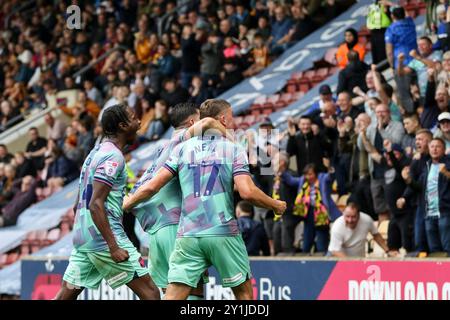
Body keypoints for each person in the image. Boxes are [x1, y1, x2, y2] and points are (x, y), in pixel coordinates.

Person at [123, 99, 286, 300]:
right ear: (223, 119)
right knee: (243, 295)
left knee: (175, 295)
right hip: (221, 230)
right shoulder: (231, 148)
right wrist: (276, 204)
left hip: (186, 233)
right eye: (232, 118)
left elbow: (153, 185)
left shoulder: (178, 148)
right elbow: (247, 192)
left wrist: (128, 203)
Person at [55, 104, 160, 300]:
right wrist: (113, 246)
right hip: (105, 240)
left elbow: (77, 202)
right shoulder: (113, 156)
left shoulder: (94, 153)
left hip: (84, 238)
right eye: (134, 118)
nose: (139, 122)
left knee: (64, 297)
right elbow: (96, 204)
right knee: (151, 293)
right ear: (122, 125)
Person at [128, 102, 227, 299]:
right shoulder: (181, 142)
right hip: (176, 227)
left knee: (170, 292)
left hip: (157, 231)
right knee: (193, 289)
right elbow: (207, 122)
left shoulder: (162, 149)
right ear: (192, 122)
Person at [281, 162, 341, 254]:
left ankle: (322, 256)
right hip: (308, 213)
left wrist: (330, 167)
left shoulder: (323, 178)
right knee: (306, 243)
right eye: (306, 174)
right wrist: (282, 171)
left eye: (310, 174)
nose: (308, 177)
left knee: (321, 242)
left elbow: (330, 177)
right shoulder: (302, 180)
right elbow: (291, 180)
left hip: (322, 213)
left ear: (315, 173)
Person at [328, 203, 393, 257]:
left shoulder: (367, 220)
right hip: (340, 260)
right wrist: (349, 263)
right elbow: (335, 250)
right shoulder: (337, 227)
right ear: (343, 214)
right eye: (347, 216)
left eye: (353, 217)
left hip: (359, 259)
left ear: (359, 215)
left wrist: (388, 251)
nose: (350, 220)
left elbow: (376, 235)